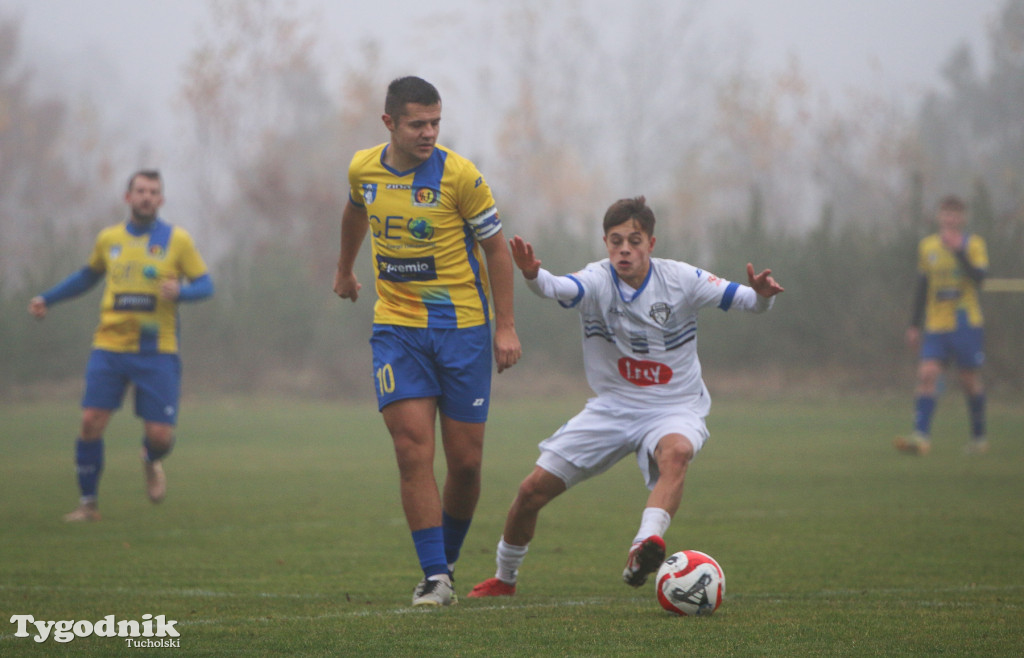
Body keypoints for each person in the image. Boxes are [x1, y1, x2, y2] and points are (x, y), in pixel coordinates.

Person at [467, 196, 783, 598]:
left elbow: (750, 303)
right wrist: (533, 275)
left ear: (651, 243)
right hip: (612, 408)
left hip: (675, 407)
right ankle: (504, 579)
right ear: (605, 242)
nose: (624, 250)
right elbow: (556, 287)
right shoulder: (598, 279)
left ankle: (643, 545)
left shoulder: (682, 279)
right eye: (616, 241)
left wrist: (763, 296)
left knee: (677, 453)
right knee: (530, 493)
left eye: (634, 241)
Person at [332, 76, 521, 607]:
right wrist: (345, 270)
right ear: (388, 122)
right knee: (412, 449)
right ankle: (434, 576)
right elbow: (354, 210)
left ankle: (450, 562)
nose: (429, 133)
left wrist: (504, 326)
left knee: (464, 463)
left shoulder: (461, 176)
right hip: (397, 329)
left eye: (436, 122)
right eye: (418, 123)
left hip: (462, 330)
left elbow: (497, 251)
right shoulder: (363, 168)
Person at [28, 169, 214, 521]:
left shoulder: (177, 240)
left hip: (156, 350)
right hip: (110, 346)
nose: (146, 197)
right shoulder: (109, 238)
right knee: (90, 422)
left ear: (161, 199)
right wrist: (47, 299)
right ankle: (88, 505)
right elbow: (86, 276)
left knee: (160, 435)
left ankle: (151, 458)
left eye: (153, 192)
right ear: (127, 197)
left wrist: (182, 292)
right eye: (140, 190)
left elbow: (206, 284)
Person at [894, 195, 989, 456]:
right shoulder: (927, 246)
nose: (950, 218)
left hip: (966, 322)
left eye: (955, 214)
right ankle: (920, 437)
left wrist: (959, 251)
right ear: (940, 216)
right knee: (926, 375)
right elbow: (923, 286)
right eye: (946, 213)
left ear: (962, 218)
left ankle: (979, 438)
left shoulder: (974, 244)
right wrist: (914, 325)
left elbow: (980, 278)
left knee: (969, 381)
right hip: (936, 325)